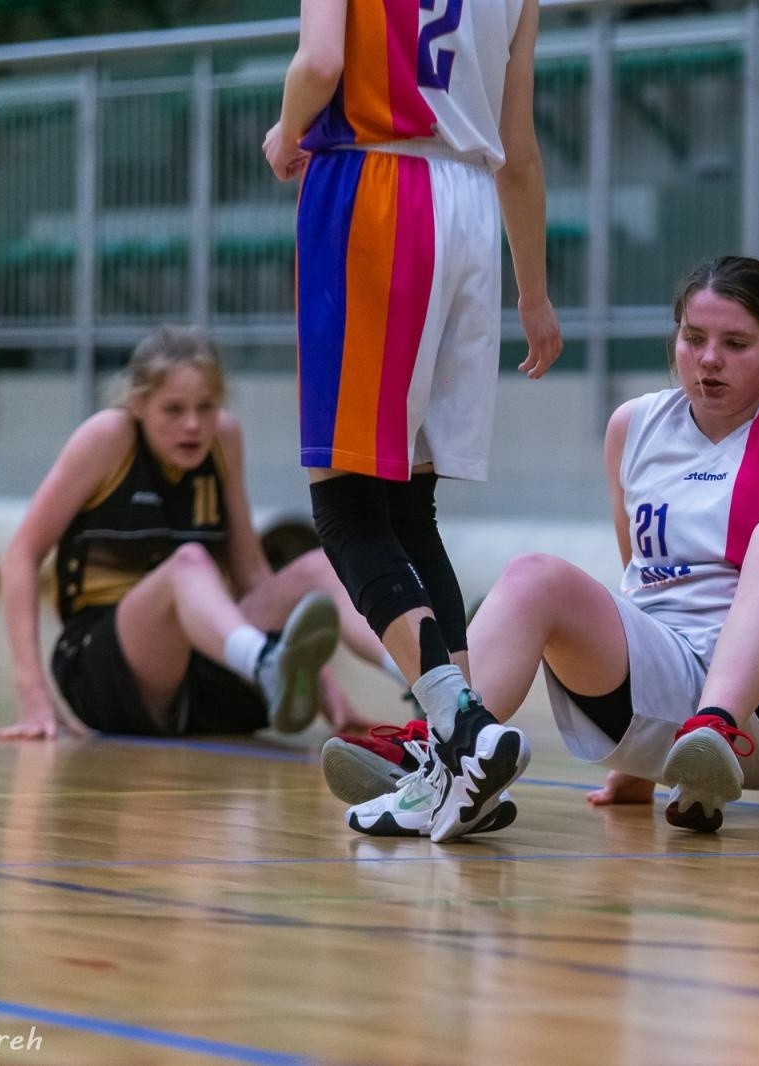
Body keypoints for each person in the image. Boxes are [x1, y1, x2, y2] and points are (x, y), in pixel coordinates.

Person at [339, 256, 759, 839]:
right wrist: (638, 767)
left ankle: (714, 732)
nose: (708, 359)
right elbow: (639, 584)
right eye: (693, 339)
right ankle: (446, 746)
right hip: (660, 693)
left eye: (735, 344)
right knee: (535, 574)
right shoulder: (633, 425)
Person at [263, 0, 563, 836]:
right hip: (469, 210)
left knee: (347, 502)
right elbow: (520, 147)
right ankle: (454, 773)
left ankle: (462, 729)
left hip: (377, 193)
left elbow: (321, 64)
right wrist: (532, 292)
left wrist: (288, 131)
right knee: (408, 503)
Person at [0, 326, 395, 741]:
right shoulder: (107, 437)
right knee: (189, 561)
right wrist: (32, 692)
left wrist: (319, 680)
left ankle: (424, 682)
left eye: (206, 407)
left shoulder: (224, 438)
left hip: (202, 670)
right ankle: (263, 663)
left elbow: (253, 577)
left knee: (318, 567)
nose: (193, 424)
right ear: (138, 404)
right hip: (104, 674)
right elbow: (20, 554)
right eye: (173, 410)